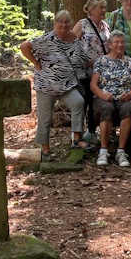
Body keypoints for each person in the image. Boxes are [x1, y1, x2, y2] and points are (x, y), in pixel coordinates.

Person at [20, 10, 93, 160]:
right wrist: (35, 63)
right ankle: (45, 149)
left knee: (78, 102)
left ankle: (77, 139)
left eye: (67, 22)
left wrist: (100, 66)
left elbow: (83, 57)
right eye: (60, 21)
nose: (64, 25)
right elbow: (23, 46)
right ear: (55, 23)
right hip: (46, 85)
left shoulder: (74, 38)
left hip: (67, 84)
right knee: (45, 117)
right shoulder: (46, 39)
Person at [90, 31, 131, 168]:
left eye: (122, 42)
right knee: (107, 108)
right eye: (116, 42)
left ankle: (121, 151)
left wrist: (130, 94)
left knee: (128, 108)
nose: (120, 45)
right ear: (110, 45)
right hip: (104, 97)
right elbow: (93, 84)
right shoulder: (101, 61)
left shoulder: (130, 61)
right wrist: (101, 94)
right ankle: (103, 150)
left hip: (123, 97)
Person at [72, 0, 110, 141]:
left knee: (96, 102)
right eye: (101, 7)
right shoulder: (82, 24)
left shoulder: (106, 26)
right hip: (84, 72)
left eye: (104, 7)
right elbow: (72, 46)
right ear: (92, 10)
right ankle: (77, 135)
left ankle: (92, 131)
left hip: (101, 73)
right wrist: (88, 62)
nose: (104, 11)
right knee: (83, 101)